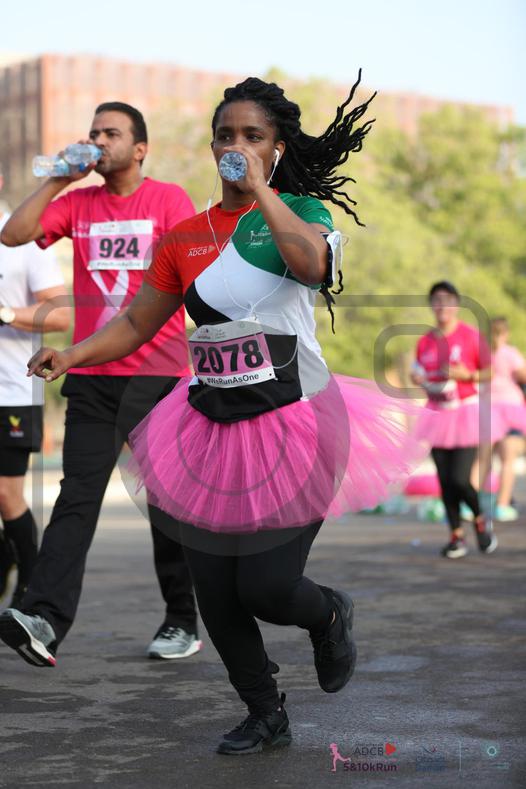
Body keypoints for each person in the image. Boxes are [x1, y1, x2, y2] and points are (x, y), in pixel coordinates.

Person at [7, 75, 425, 754]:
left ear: (276, 148)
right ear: (210, 147)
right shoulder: (183, 237)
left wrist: (262, 189)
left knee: (267, 585)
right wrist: (73, 354)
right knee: (216, 590)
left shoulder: (301, 212)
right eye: (226, 135)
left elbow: (312, 266)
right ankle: (265, 711)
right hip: (209, 426)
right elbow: (137, 323)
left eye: (253, 136)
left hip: (299, 418)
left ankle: (328, 614)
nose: (236, 146)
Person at [0, 103, 200, 666]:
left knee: (167, 504)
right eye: (93, 132)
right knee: (76, 499)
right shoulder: (79, 203)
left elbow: (189, 279)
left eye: (112, 133)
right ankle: (43, 617)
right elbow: (13, 234)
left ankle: (182, 620)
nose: (99, 140)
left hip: (159, 376)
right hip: (90, 376)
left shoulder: (168, 200)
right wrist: (59, 178)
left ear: (140, 148)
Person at [412, 282, 526, 559]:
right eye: (436, 300)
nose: (442, 305)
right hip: (437, 414)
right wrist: (416, 377)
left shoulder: (470, 336)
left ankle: (479, 519)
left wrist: (468, 375)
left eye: (447, 299)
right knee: (444, 481)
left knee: (460, 479)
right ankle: (456, 536)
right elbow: (418, 370)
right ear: (431, 305)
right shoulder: (425, 341)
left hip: (465, 414)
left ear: (456, 304)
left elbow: (489, 372)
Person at [0, 170, 70, 608]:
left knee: (6, 496)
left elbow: (60, 315)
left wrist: (6, 313)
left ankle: (30, 587)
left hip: (11, 391)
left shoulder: (21, 240)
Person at [471, 317, 526, 521]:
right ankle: (502, 506)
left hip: (487, 408)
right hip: (511, 410)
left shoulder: (481, 354)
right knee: (508, 459)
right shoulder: (510, 353)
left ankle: (470, 505)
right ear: (505, 333)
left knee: (482, 458)